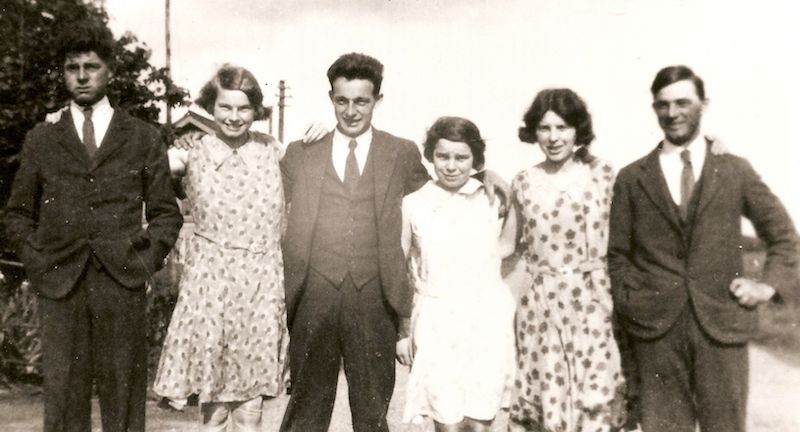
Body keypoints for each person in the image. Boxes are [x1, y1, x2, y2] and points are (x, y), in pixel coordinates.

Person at [3, 22, 183, 432]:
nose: (82, 76)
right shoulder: (42, 138)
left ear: (110, 71)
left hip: (121, 281)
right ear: (63, 73)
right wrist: (37, 260)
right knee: (64, 398)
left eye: (92, 66)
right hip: (59, 284)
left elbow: (165, 214)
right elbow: (16, 213)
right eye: (72, 68)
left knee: (123, 396)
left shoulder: (142, 137)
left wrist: (143, 261)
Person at [607, 65, 798, 432]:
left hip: (722, 326)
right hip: (656, 330)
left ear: (703, 104)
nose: (673, 113)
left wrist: (766, 287)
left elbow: (784, 236)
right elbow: (618, 255)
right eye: (663, 105)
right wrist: (633, 301)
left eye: (683, 102)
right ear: (654, 109)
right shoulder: (632, 178)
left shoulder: (733, 170)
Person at [278, 52, 431, 432]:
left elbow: (436, 199)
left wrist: (488, 178)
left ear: (378, 100)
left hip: (374, 295)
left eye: (361, 101)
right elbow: (263, 187)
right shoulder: (302, 151)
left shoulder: (401, 152)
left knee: (372, 409)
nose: (350, 111)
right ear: (331, 97)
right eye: (342, 100)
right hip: (314, 292)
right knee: (306, 409)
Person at [151, 64, 288, 431]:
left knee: (250, 405)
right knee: (214, 404)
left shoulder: (273, 152)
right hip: (211, 283)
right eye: (225, 107)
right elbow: (133, 164)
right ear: (211, 108)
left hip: (260, 284)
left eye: (243, 108)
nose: (234, 117)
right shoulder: (191, 153)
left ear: (255, 111)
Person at [508, 88, 628, 432]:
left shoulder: (604, 174)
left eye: (562, 127)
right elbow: (504, 245)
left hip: (593, 301)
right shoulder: (524, 182)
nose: (553, 137)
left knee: (595, 398)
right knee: (546, 397)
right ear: (534, 131)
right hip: (541, 306)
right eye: (545, 128)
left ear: (577, 129)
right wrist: (478, 180)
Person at [396, 116, 517, 432]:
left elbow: (507, 249)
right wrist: (403, 331)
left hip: (486, 319)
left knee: (479, 421)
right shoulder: (414, 204)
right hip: (437, 320)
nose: (451, 165)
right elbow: (401, 266)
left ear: (475, 159)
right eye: (442, 156)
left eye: (461, 157)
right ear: (431, 156)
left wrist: (503, 187)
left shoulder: (493, 199)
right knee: (447, 422)